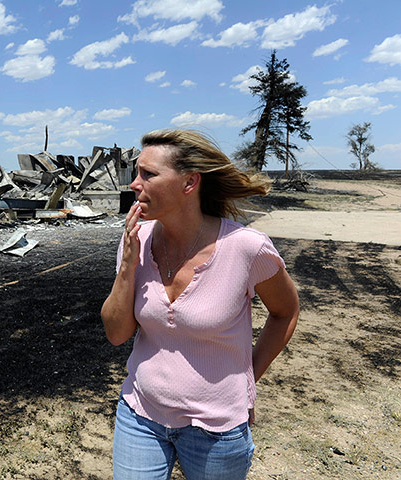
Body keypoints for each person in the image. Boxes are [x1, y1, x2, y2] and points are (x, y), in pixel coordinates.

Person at [101, 129, 299, 480]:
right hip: (140, 415)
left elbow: (286, 311)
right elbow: (116, 334)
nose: (134, 183)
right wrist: (128, 266)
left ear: (190, 183)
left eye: (148, 174)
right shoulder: (137, 240)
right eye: (137, 172)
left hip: (217, 429)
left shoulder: (246, 247)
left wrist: (249, 379)